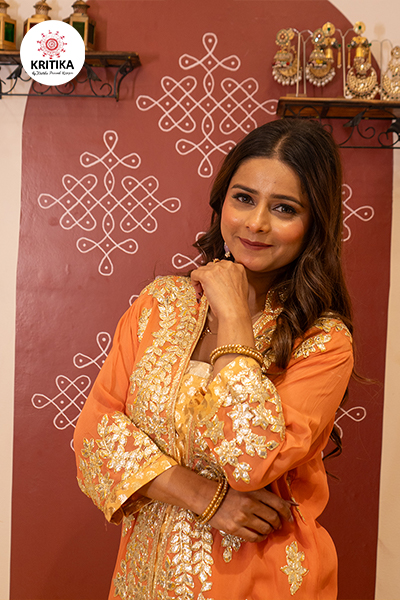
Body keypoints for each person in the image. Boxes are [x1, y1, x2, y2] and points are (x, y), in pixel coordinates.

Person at [74, 118, 354, 600]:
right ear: (222, 201)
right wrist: (206, 497)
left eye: (284, 208)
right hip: (145, 578)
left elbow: (249, 461)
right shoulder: (162, 304)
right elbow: (95, 436)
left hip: (259, 580)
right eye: (243, 198)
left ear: (314, 225)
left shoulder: (322, 341)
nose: (256, 223)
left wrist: (233, 315)